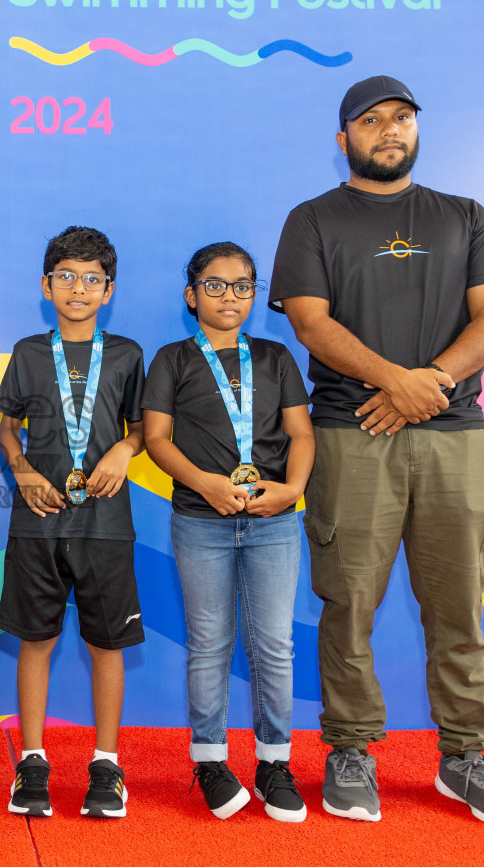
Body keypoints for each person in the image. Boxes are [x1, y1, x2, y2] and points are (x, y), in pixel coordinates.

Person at [270, 76, 484, 826]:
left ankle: (466, 757)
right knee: (348, 604)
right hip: (353, 436)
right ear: (343, 137)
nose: (390, 130)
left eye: (402, 118)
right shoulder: (313, 219)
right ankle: (351, 749)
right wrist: (396, 383)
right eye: (372, 120)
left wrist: (434, 384)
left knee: (459, 607)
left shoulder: (467, 217)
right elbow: (312, 324)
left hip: (456, 439)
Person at [142, 242, 314, 823]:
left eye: (243, 285)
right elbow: (159, 439)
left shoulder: (275, 356)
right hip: (200, 522)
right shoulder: (171, 359)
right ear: (191, 295)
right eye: (215, 285)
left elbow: (303, 434)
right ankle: (210, 760)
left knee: (274, 645)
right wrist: (208, 485)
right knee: (210, 642)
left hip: (274, 522)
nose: (230, 296)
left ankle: (274, 763)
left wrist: (292, 490)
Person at [0, 226, 146, 820]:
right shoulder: (30, 353)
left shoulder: (130, 354)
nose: (77, 289)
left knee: (106, 645)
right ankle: (32, 762)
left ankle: (106, 765)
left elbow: (145, 429)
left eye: (91, 280)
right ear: (45, 286)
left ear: (108, 291)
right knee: (37, 639)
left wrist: (123, 451)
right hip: (38, 521)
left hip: (107, 525)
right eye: (66, 277)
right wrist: (22, 470)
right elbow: (7, 424)